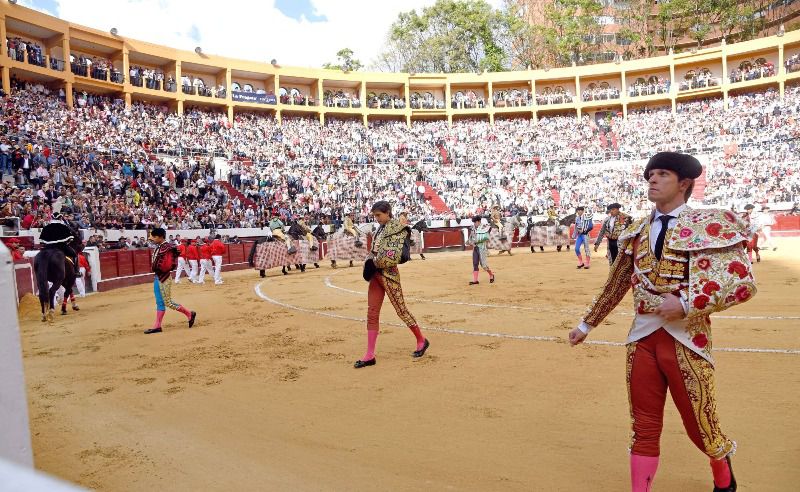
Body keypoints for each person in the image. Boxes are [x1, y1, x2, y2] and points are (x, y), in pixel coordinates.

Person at [568, 152, 756, 492]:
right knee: (644, 425)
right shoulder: (636, 230)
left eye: (662, 174)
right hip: (642, 338)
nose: (652, 180)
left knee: (701, 424)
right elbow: (616, 282)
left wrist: (687, 303)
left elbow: (740, 283)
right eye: (650, 174)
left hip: (687, 339)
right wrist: (587, 324)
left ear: (684, 184)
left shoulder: (708, 226)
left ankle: (723, 476)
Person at [354, 201, 429, 369]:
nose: (377, 219)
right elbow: (374, 250)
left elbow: (393, 255)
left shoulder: (397, 228)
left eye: (379, 215)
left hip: (389, 275)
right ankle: (370, 355)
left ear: (388, 212)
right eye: (375, 216)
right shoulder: (380, 229)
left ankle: (421, 340)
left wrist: (374, 263)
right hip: (376, 276)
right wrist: (368, 263)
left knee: (401, 310)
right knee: (372, 313)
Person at [144, 227, 196, 334]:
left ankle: (189, 314)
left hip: (164, 277)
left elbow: (167, 265)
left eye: (154, 237)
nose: (152, 239)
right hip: (158, 277)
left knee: (168, 302)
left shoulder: (166, 247)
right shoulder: (162, 246)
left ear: (160, 237)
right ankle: (157, 326)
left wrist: (160, 270)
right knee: (159, 302)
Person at [468, 215, 495, 285]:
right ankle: (475, 280)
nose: (474, 224)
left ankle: (491, 275)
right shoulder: (473, 228)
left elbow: (487, 238)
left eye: (475, 222)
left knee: (484, 265)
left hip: (482, 248)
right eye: (474, 222)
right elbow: (470, 238)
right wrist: (472, 243)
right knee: (475, 264)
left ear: (479, 221)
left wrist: (478, 241)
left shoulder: (484, 227)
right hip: (475, 248)